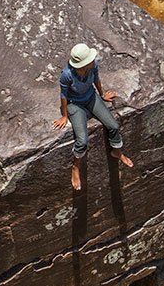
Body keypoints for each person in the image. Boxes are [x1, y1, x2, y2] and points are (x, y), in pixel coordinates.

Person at [55, 42, 134, 191]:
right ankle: (75, 167)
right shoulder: (67, 75)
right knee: (82, 140)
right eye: (89, 60)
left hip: (90, 97)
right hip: (75, 104)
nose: (93, 61)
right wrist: (64, 116)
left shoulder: (93, 66)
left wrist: (102, 94)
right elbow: (63, 95)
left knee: (114, 126)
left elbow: (96, 79)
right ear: (82, 64)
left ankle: (116, 151)